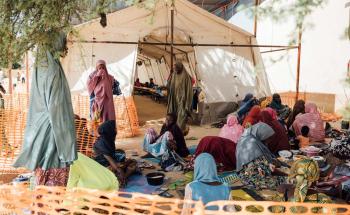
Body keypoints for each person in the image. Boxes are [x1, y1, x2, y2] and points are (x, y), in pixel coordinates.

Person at [13, 32, 77, 186]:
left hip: (39, 132)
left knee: (40, 180)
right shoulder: (53, 71)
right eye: (63, 43)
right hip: (53, 136)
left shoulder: (40, 67)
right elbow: (57, 109)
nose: (65, 47)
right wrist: (68, 144)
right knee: (53, 182)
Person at [236, 122, 286, 190]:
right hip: (252, 178)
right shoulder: (252, 143)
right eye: (267, 138)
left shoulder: (247, 138)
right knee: (287, 181)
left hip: (243, 175)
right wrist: (286, 174)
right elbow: (268, 170)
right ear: (262, 134)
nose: (268, 141)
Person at [93, 120, 137, 188]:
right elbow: (109, 159)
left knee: (132, 162)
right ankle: (123, 177)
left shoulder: (108, 139)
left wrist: (124, 163)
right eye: (114, 129)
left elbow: (112, 156)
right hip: (103, 166)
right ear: (109, 130)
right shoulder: (101, 143)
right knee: (120, 170)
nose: (116, 130)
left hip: (111, 163)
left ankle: (123, 176)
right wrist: (119, 170)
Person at [167, 61, 193, 134]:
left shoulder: (185, 76)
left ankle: (179, 132)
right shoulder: (174, 74)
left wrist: (186, 100)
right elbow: (170, 84)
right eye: (174, 68)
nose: (175, 69)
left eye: (176, 68)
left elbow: (188, 89)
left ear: (180, 67)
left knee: (181, 116)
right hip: (175, 98)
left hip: (182, 100)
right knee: (173, 115)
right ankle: (176, 131)